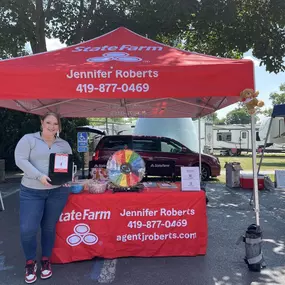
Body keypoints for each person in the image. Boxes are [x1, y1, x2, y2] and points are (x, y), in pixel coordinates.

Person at [14, 112, 72, 284]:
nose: (52, 126)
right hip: (31, 191)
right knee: (28, 229)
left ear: (59, 126)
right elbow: (20, 159)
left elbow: (68, 165)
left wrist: (68, 179)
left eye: (55, 124)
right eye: (48, 122)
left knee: (48, 227)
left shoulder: (63, 144)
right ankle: (30, 262)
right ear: (42, 123)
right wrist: (39, 176)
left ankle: (46, 260)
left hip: (57, 192)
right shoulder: (28, 139)